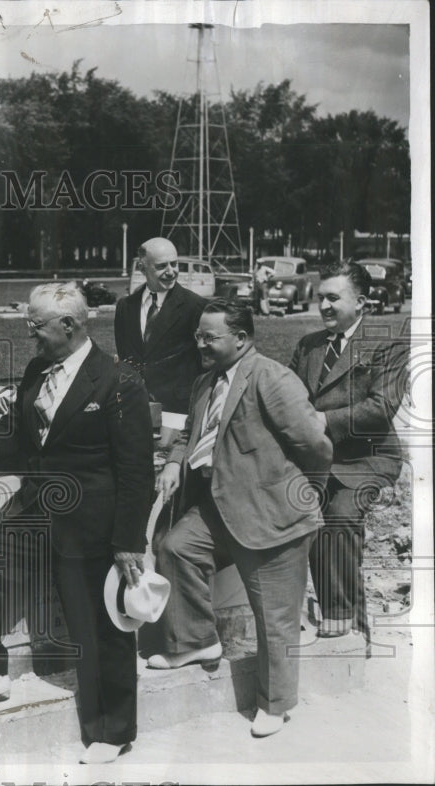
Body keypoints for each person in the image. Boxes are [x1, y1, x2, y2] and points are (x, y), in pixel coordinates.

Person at [0, 282, 154, 764]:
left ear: (70, 326)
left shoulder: (120, 382)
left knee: (99, 627)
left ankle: (112, 729)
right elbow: (16, 429)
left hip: (91, 527)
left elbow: (137, 470)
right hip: (36, 510)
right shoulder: (39, 369)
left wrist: (126, 542)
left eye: (36, 326)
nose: (30, 335)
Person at [149, 299, 333, 738]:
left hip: (274, 517)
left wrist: (301, 494)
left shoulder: (269, 377)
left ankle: (275, 703)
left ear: (242, 339)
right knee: (175, 547)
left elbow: (316, 445)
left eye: (209, 337)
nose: (200, 344)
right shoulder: (204, 382)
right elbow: (193, 431)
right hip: (220, 508)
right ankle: (196, 642)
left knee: (274, 616)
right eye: (198, 335)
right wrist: (175, 461)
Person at [289, 261, 409, 639]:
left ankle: (345, 618)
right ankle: (306, 613)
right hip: (320, 458)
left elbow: (379, 410)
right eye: (320, 297)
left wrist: (322, 421)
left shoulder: (387, 341)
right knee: (295, 514)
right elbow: (288, 400)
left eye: (332, 298)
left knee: (339, 514)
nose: (323, 305)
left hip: (368, 459)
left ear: (360, 302)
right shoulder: (308, 346)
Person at [114, 237, 206, 442]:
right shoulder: (125, 307)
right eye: (162, 266)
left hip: (179, 412)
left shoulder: (196, 306)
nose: (171, 271)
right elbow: (126, 358)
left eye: (175, 264)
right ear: (142, 268)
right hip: (136, 409)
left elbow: (207, 365)